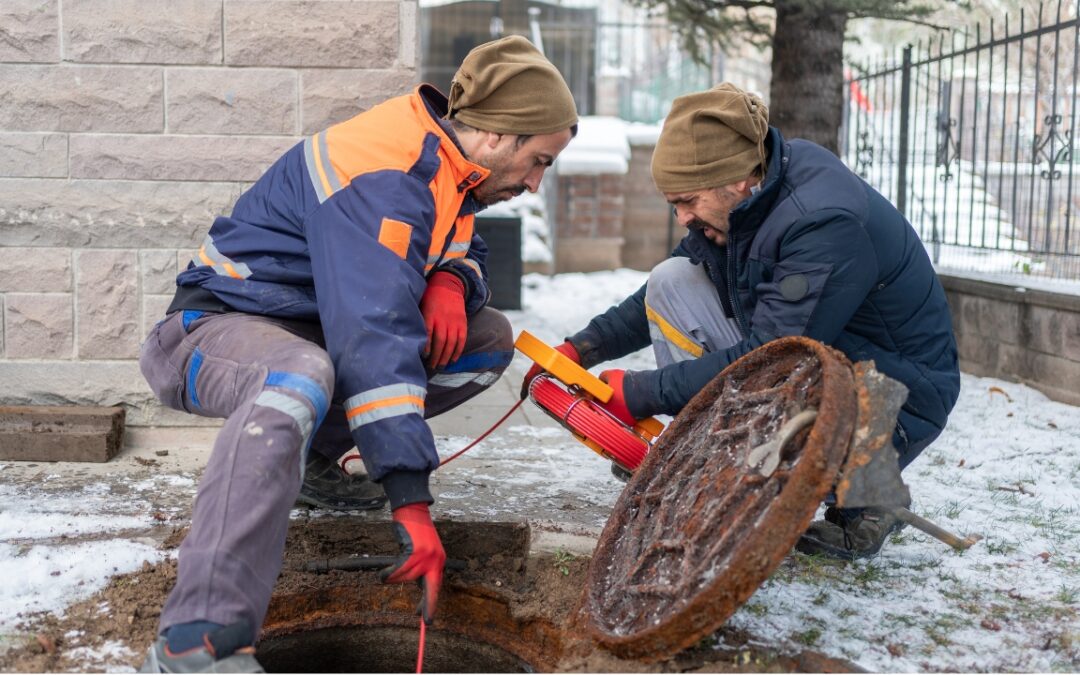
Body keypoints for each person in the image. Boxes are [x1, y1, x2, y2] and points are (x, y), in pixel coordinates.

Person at [139, 35, 577, 672]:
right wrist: (410, 498)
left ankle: (318, 468)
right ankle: (197, 639)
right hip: (208, 333)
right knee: (299, 374)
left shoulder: (453, 170)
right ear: (496, 136)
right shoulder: (384, 173)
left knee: (484, 342)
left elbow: (455, 248)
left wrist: (453, 280)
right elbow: (372, 336)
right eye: (538, 161)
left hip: (310, 329)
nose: (536, 184)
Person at [523, 83, 960, 561]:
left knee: (777, 385)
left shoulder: (822, 222)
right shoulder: (749, 201)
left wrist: (641, 392)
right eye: (674, 203)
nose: (681, 216)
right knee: (671, 280)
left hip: (891, 399)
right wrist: (584, 347)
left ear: (736, 180)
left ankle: (871, 496)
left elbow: (772, 355)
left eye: (687, 200)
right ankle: (716, 460)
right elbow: (663, 294)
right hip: (826, 359)